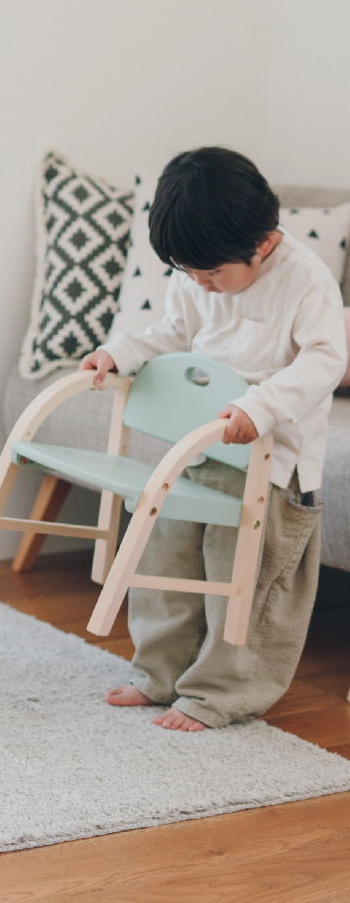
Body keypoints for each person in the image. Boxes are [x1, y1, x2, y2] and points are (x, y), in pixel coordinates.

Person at [80, 146, 347, 731]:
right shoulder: (198, 277)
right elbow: (172, 330)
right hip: (198, 450)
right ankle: (159, 675)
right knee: (165, 560)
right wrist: (116, 354)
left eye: (213, 275)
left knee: (242, 584)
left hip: (272, 471)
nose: (203, 285)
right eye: (190, 274)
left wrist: (263, 404)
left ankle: (220, 693)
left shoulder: (306, 282)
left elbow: (326, 359)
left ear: (263, 244)